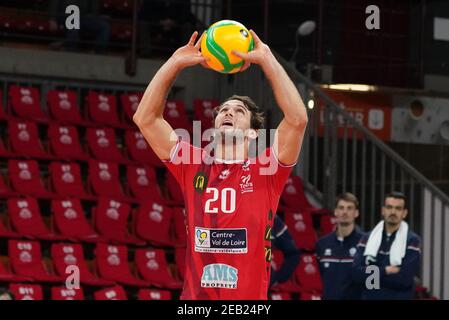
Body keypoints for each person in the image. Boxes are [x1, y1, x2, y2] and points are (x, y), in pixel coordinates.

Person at [133, 30, 308, 299]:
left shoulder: (267, 170)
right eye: (224, 110)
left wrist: (267, 60)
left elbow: (297, 120)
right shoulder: (192, 164)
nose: (229, 113)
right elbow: (145, 118)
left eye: (240, 112)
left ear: (252, 134)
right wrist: (174, 62)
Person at [353, 192, 421, 300]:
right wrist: (386, 270)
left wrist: (373, 276)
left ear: (404, 213)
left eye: (398, 208)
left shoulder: (412, 240)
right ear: (383, 210)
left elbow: (404, 280)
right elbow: (357, 275)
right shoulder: (367, 238)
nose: (393, 212)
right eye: (389, 207)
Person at [316, 192, 364, 299]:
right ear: (335, 212)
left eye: (349, 208)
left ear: (356, 213)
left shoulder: (366, 243)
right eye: (341, 208)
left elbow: (372, 282)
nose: (345, 212)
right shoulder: (322, 244)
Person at [270, 215, 301, 288]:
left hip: (263, 284)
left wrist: (277, 278)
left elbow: (293, 254)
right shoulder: (239, 213)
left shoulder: (272, 218)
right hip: (240, 281)